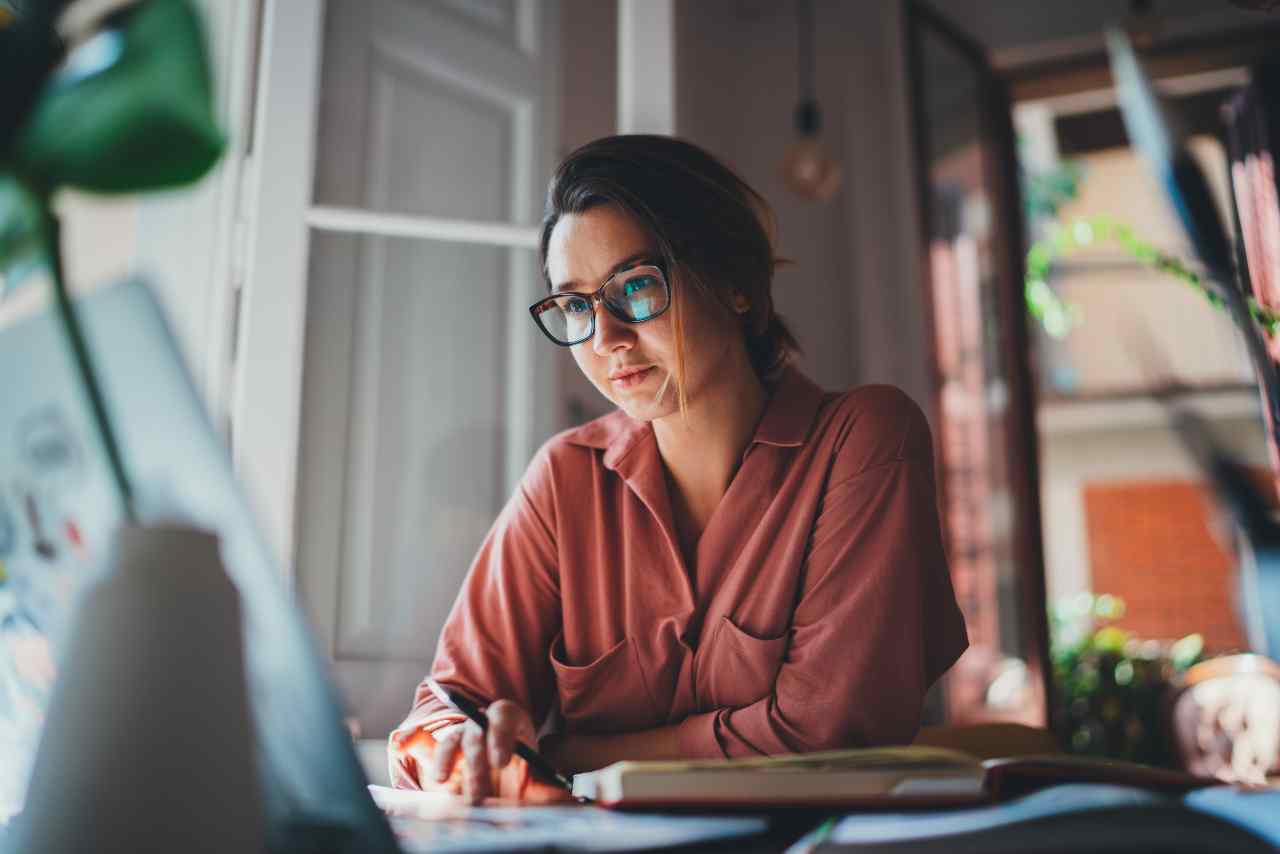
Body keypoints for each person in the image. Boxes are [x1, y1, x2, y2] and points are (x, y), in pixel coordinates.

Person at [387, 135, 968, 804]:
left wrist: (573, 754)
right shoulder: (564, 482)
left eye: (636, 287)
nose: (606, 340)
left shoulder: (864, 441)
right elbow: (449, 704)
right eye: (576, 305)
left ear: (736, 283)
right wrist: (454, 746)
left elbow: (826, 733)